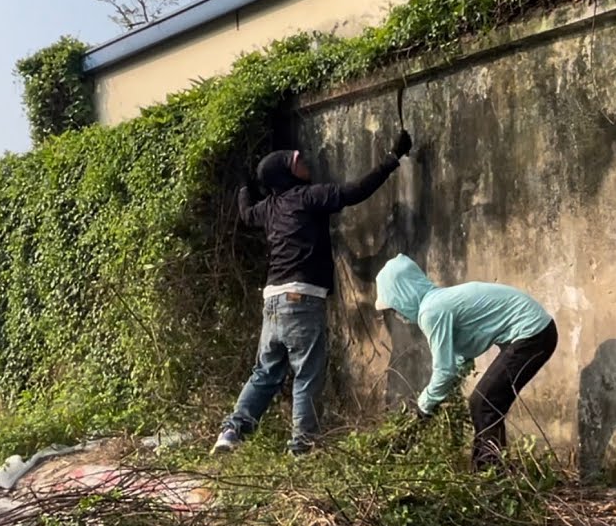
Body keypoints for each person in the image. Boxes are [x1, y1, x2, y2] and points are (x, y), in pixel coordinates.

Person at [213, 130, 414, 455]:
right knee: (306, 373)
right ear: (287, 173)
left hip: (273, 300)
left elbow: (246, 213)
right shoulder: (307, 197)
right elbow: (354, 192)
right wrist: (392, 159)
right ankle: (302, 447)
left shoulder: (269, 208)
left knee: (265, 372)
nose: (305, 163)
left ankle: (231, 431)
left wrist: (242, 186)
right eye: (298, 162)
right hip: (302, 300)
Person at [373, 254, 558, 470]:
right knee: (485, 402)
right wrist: (445, 391)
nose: (397, 315)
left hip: (532, 334)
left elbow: (444, 369)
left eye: (394, 307)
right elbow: (461, 357)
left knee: (484, 402)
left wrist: (424, 407)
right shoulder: (439, 301)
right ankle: (484, 473)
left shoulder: (431, 311)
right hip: (535, 332)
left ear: (403, 295)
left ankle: (490, 476)